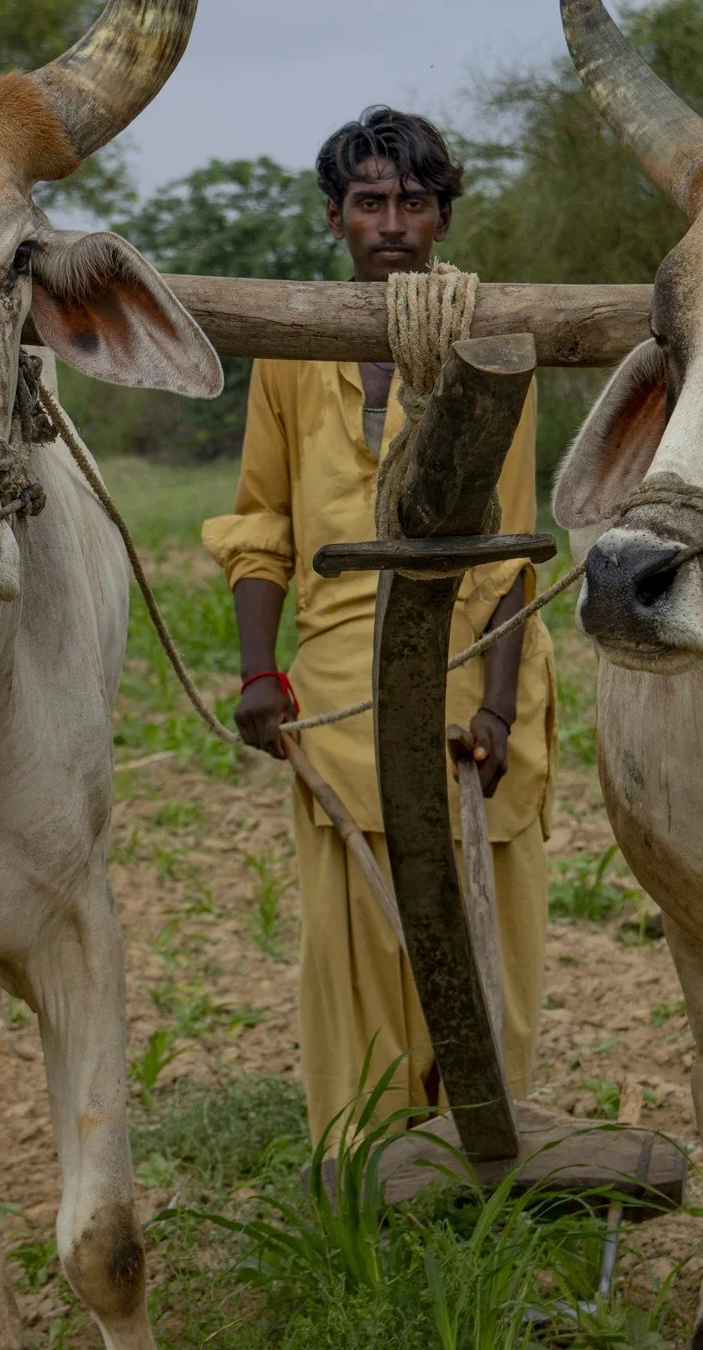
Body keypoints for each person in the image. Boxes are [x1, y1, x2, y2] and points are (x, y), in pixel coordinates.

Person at [201, 106, 556, 1142]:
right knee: (352, 976)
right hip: (339, 703)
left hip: (466, 698)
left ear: (441, 217)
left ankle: (482, 1184)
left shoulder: (492, 348)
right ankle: (368, 1183)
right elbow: (262, 520)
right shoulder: (285, 354)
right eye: (368, 202)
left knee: (485, 963)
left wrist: (497, 709)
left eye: (411, 201)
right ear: (334, 218)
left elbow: (516, 542)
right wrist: (257, 675)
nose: (390, 221)